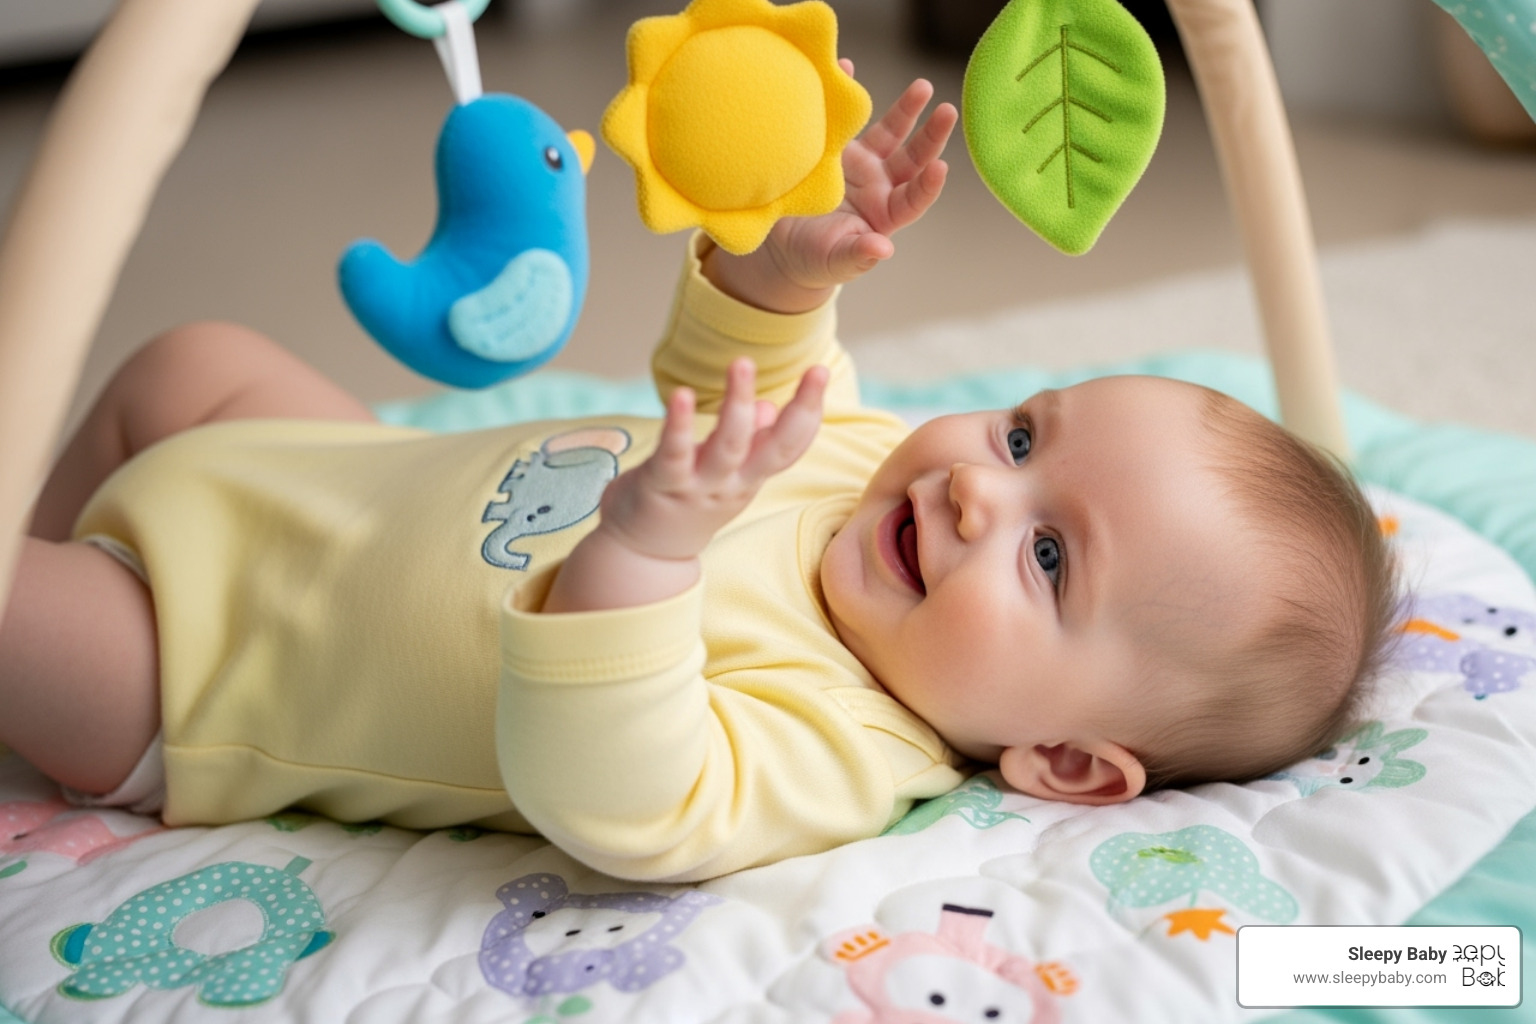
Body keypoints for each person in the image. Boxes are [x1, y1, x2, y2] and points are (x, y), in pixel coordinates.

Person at [0, 78, 1398, 882]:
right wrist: (786, 275)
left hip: (202, 674)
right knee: (191, 361)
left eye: (1049, 558)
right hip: (335, 478)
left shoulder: (845, 741)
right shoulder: (860, 467)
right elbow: (743, 369)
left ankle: (42, 644)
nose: (982, 491)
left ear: (1067, 762)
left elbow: (621, 794)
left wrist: (651, 547)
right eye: (1025, 438)